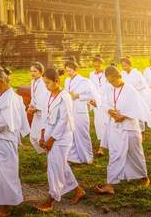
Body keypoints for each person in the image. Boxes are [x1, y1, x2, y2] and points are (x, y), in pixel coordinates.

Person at [95, 66, 151, 195]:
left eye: (113, 80)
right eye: (109, 81)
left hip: (130, 127)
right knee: (114, 154)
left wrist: (123, 115)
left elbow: (138, 108)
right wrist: (110, 110)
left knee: (135, 154)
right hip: (115, 126)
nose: (112, 83)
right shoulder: (110, 89)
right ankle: (110, 184)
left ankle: (144, 177)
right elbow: (105, 102)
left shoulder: (130, 90)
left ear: (119, 76)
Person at [0, 66, 30, 217]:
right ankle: (4, 200)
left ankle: (6, 207)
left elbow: (4, 122)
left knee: (4, 174)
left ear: (2, 81)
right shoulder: (1, 95)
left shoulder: (10, 98)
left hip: (4, 141)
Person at [35, 67, 85, 211]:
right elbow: (45, 116)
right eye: (44, 84)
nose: (46, 86)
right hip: (50, 134)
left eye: (48, 83)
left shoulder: (65, 97)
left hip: (62, 138)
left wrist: (52, 139)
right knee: (60, 165)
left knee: (54, 167)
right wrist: (43, 135)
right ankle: (78, 190)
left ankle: (52, 198)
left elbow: (64, 120)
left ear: (56, 81)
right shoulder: (48, 95)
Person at [63, 60, 99, 164]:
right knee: (71, 134)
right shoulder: (67, 80)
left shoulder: (85, 81)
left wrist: (78, 96)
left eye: (70, 71)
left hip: (80, 110)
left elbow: (92, 96)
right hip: (70, 109)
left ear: (76, 70)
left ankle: (87, 157)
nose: (68, 73)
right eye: (67, 71)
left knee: (82, 133)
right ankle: (73, 157)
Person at [27, 62, 48, 154]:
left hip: (43, 113)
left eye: (35, 71)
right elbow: (34, 96)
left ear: (40, 71)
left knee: (43, 137)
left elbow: (44, 98)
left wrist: (36, 108)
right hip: (35, 112)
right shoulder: (33, 82)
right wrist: (30, 106)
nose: (32, 73)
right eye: (31, 71)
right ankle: (45, 153)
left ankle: (50, 154)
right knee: (33, 137)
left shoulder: (44, 82)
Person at [89, 55, 108, 156]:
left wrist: (101, 102)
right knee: (99, 123)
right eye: (94, 66)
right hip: (96, 103)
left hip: (106, 102)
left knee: (106, 123)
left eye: (98, 66)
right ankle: (103, 143)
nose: (96, 68)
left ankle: (102, 148)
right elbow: (91, 88)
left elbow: (109, 89)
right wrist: (92, 101)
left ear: (102, 65)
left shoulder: (107, 74)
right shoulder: (91, 74)